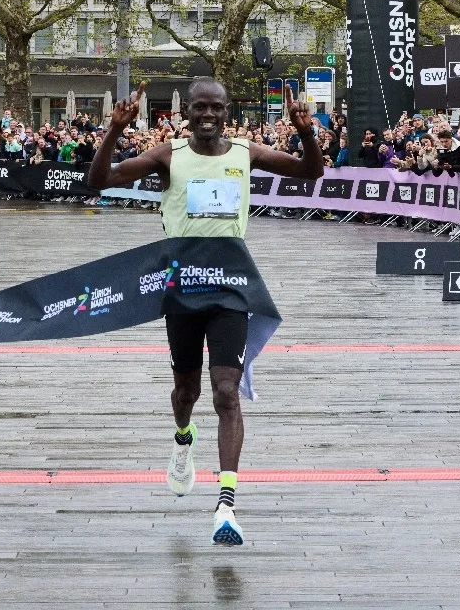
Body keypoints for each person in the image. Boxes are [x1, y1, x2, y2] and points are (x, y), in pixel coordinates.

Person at [88, 78, 322, 546]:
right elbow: (99, 182)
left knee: (225, 393)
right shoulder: (167, 155)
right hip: (182, 289)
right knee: (185, 391)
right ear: (187, 112)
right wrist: (113, 132)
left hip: (231, 288)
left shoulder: (246, 152)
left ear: (227, 109)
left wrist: (308, 134)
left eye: (216, 107)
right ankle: (182, 439)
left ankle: (226, 506)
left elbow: (309, 172)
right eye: (199, 108)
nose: (208, 115)